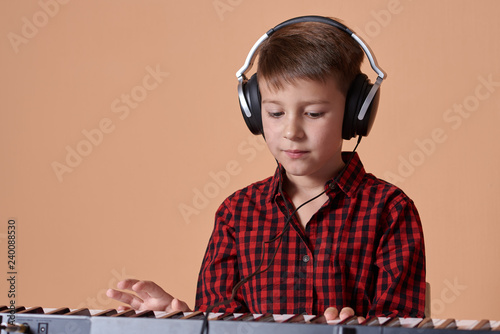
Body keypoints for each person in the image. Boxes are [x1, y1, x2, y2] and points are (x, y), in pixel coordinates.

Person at [107, 16, 426, 321]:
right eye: (275, 113)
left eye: (313, 113)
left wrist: (357, 327)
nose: (291, 131)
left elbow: (401, 323)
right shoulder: (236, 213)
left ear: (355, 113)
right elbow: (221, 322)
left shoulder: (390, 211)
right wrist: (179, 319)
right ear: (254, 113)